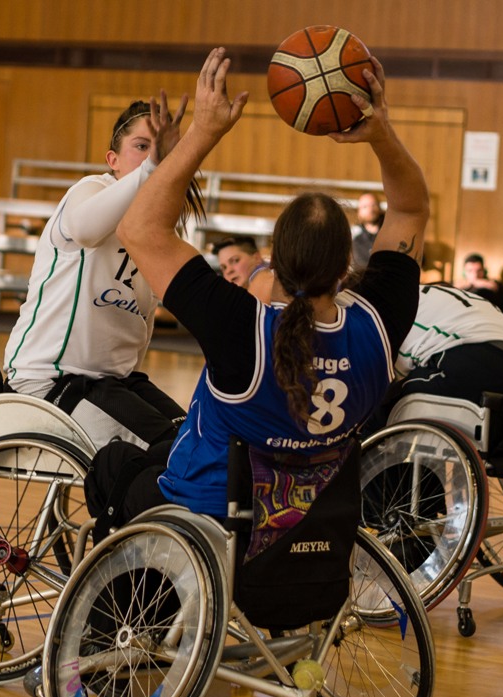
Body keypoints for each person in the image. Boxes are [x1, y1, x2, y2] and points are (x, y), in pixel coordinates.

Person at [84, 46, 427, 535]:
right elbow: (411, 211)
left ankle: (117, 608)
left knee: (115, 466)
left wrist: (203, 131)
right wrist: (381, 133)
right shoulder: (377, 325)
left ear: (274, 257)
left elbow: (139, 229)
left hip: (209, 522)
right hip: (309, 535)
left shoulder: (242, 328)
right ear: (346, 267)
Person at [2, 96, 202, 450]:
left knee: (196, 443)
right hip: (52, 378)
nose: (151, 156)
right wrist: (151, 169)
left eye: (163, 150)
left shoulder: (157, 227)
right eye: (141, 147)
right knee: (167, 451)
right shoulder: (91, 189)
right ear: (113, 160)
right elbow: (83, 229)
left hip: (113, 382)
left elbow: (145, 319)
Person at [361, 282, 503, 434]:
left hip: (476, 362)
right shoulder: (467, 299)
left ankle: (383, 481)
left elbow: (387, 378)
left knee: (376, 410)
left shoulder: (394, 306)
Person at [351, 191, 384, 272]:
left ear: (379, 208)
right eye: (365, 207)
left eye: (373, 205)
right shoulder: (354, 236)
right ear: (358, 212)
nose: (370, 209)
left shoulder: (391, 233)